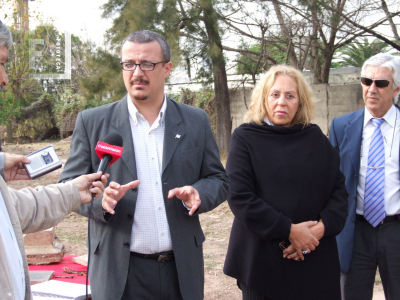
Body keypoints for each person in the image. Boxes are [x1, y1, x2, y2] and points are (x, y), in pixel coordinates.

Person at [59, 30, 229, 300]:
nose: (137, 72)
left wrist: (198, 194)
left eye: (147, 64)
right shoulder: (93, 123)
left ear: (167, 69)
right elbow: (67, 188)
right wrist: (100, 202)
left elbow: (218, 179)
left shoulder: (195, 121)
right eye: (129, 64)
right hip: (120, 271)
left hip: (180, 270)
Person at [223, 65, 348, 300]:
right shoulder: (245, 137)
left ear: (300, 103)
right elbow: (240, 196)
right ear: (264, 98)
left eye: (290, 96)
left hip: (315, 260)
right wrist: (290, 231)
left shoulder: (316, 139)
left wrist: (318, 231)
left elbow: (339, 193)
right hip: (262, 263)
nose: (282, 102)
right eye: (275, 94)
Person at [329, 53, 400, 300]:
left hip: (396, 230)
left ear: (396, 88)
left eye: (380, 83)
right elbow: (333, 183)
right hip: (355, 231)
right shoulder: (341, 126)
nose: (372, 89)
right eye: (366, 81)